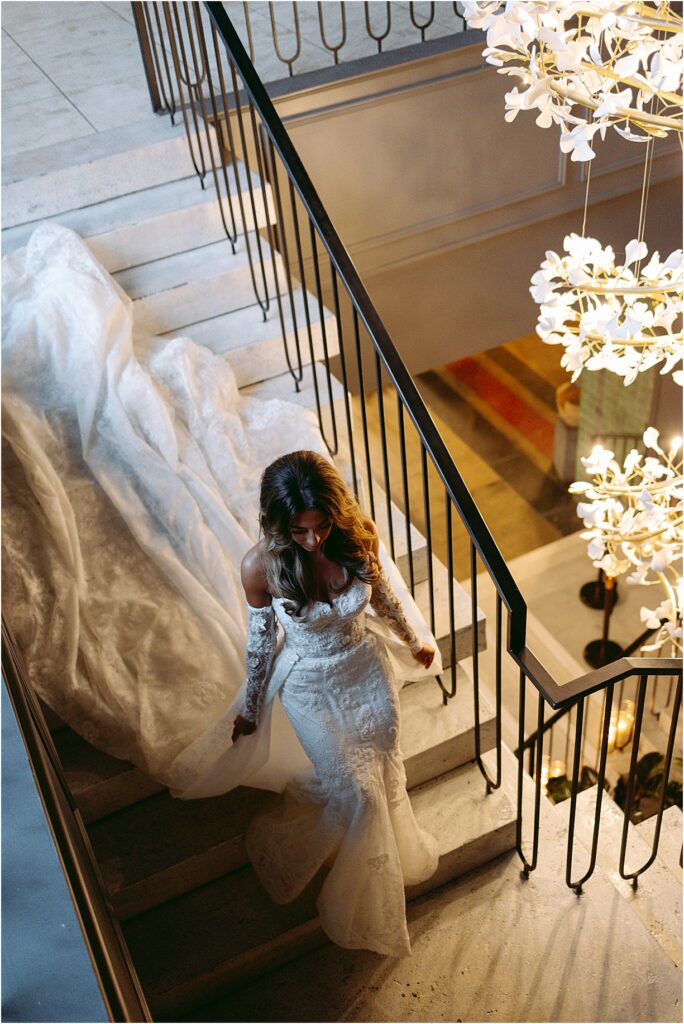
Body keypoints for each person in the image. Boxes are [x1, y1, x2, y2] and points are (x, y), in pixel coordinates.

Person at [232, 450, 440, 957]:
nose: (312, 540)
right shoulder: (260, 565)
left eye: (321, 526)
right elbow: (261, 641)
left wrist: (412, 640)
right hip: (309, 686)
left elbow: (385, 595)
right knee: (358, 792)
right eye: (299, 531)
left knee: (384, 767)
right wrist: (251, 705)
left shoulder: (357, 534)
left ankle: (393, 848)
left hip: (366, 668)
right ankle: (362, 904)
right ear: (279, 524)